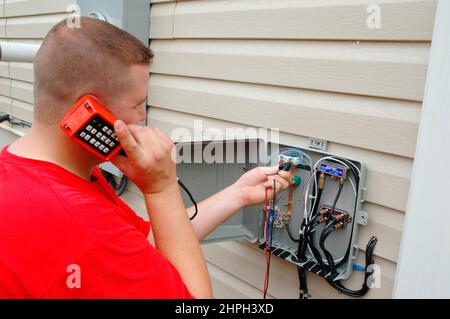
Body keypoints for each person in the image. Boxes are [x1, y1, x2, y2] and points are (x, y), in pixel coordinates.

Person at [0, 17, 293, 298]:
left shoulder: (28, 167)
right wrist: (161, 187)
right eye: (138, 104)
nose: (142, 116)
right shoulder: (80, 225)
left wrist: (237, 195)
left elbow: (145, 246)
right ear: (87, 111)